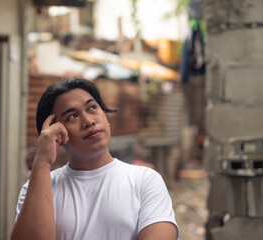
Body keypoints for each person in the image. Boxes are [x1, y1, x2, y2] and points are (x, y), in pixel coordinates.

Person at [11, 78, 178, 240]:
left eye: (92, 107)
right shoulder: (37, 189)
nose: (89, 121)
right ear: (57, 133)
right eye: (73, 116)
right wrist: (41, 161)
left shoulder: (145, 181)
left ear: (105, 115)